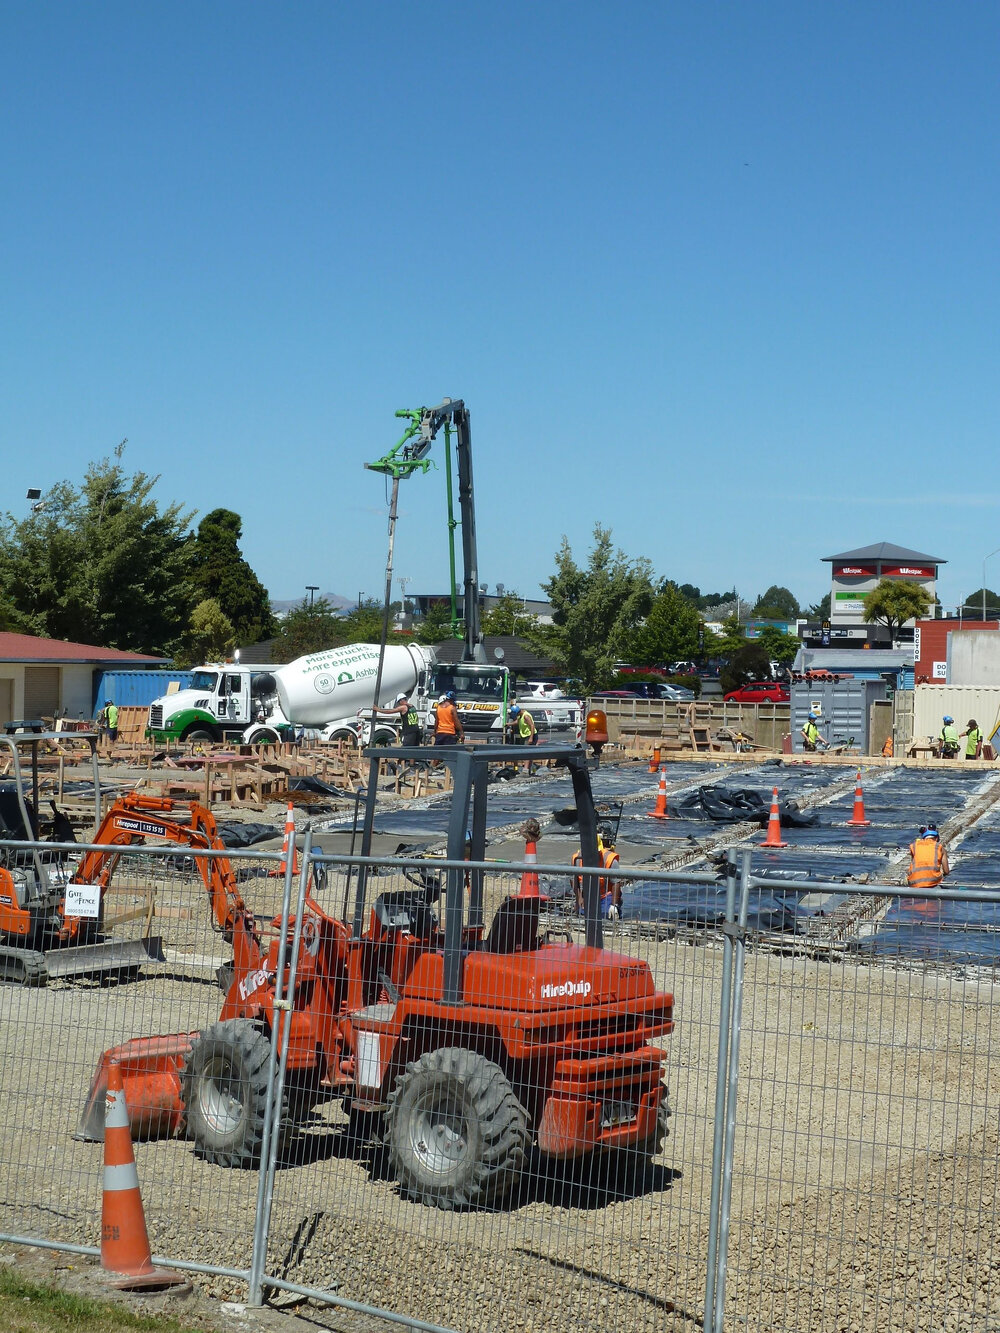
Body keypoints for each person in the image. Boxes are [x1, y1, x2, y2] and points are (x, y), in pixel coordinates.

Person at [572, 822, 623, 919]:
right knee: (583, 916)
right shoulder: (577, 859)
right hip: (587, 895)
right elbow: (574, 882)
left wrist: (614, 904)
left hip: (605, 896)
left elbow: (616, 883)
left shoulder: (609, 859)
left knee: (605, 916)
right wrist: (579, 899)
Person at [906, 823, 950, 889]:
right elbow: (946, 871)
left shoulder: (914, 846)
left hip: (914, 883)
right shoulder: (940, 847)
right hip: (932, 883)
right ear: (937, 838)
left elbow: (912, 866)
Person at [508, 703, 538, 774]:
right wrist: (509, 724)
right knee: (528, 753)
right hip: (524, 736)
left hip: (530, 735)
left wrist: (531, 738)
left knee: (527, 753)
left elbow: (532, 726)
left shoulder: (526, 716)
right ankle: (529, 770)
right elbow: (517, 722)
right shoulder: (520, 715)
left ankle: (525, 771)